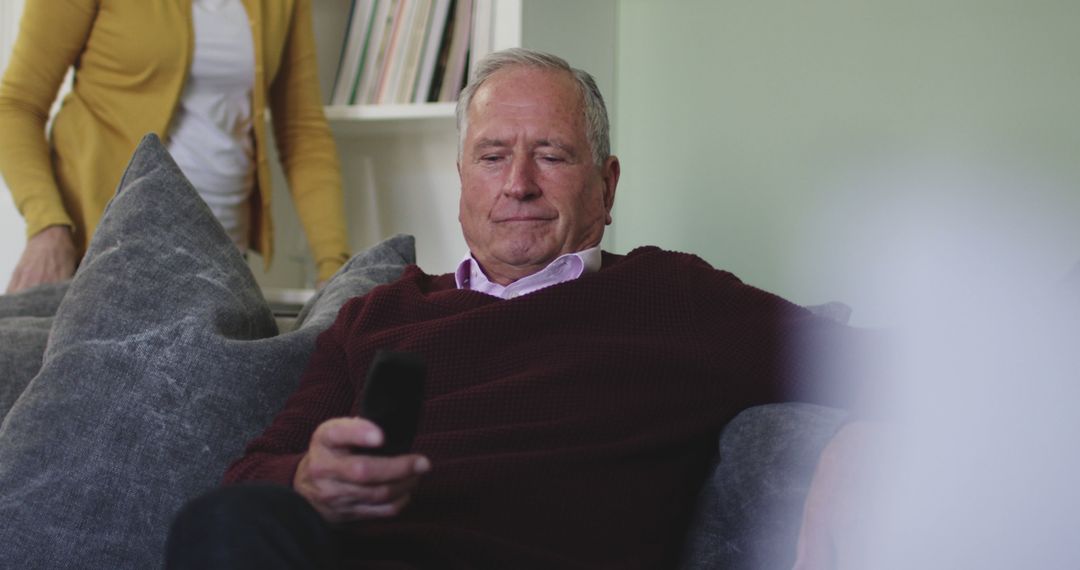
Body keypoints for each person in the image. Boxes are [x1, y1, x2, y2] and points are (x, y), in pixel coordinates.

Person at [166, 48, 872, 569]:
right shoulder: (380, 315)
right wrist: (306, 480)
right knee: (223, 523)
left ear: (607, 185)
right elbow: (247, 480)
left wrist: (855, 441)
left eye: (553, 156)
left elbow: (905, 362)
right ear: (461, 180)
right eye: (493, 156)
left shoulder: (673, 299)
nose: (519, 185)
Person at [0, 0, 349, 293]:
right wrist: (47, 226)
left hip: (223, 262)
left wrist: (334, 267)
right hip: (109, 257)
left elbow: (303, 133)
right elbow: (16, 106)